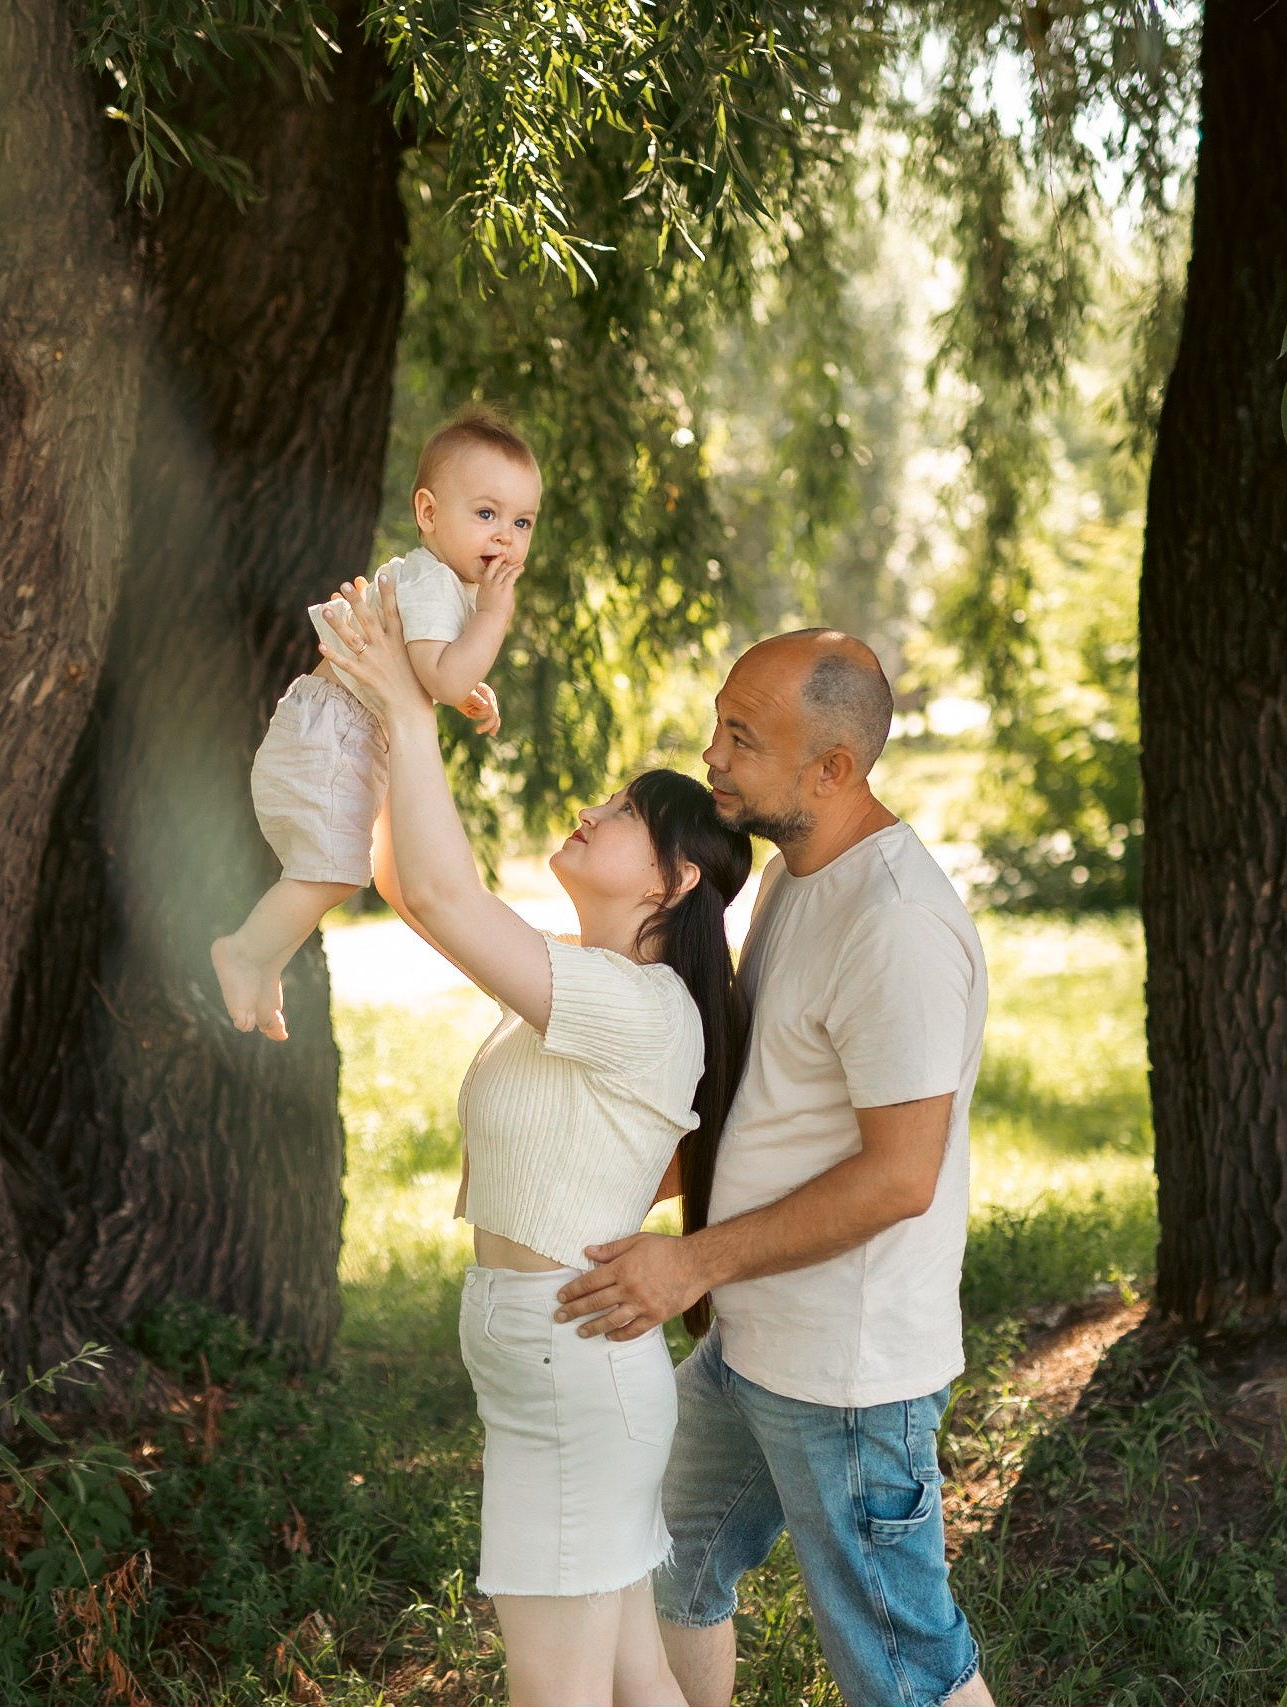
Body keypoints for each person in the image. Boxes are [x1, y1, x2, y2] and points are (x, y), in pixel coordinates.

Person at [318, 574, 753, 1707]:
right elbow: (413, 891)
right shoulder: (589, 982)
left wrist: (413, 716)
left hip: (570, 1371)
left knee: (555, 1690)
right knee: (623, 1673)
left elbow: (451, 902)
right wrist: (377, 715)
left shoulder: (636, 1004)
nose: (592, 811)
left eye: (623, 812)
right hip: (548, 1364)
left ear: (677, 877)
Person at [554, 630, 998, 1707]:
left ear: (832, 769)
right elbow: (768, 1099)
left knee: (903, 1671)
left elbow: (901, 1176)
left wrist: (689, 1262)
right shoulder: (804, 877)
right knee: (665, 1564)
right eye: (719, 723)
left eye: (741, 740)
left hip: (844, 1381)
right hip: (756, 1345)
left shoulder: (895, 925)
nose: (711, 756)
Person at [210, 407, 538, 1040]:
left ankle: (265, 960)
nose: (505, 537)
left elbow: (432, 671)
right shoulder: (430, 582)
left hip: (340, 735)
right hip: (330, 739)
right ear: (429, 512)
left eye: (522, 522)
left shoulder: (442, 585)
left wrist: (470, 691)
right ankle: (246, 950)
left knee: (331, 868)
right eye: (487, 514)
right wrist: (493, 620)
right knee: (332, 871)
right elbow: (437, 676)